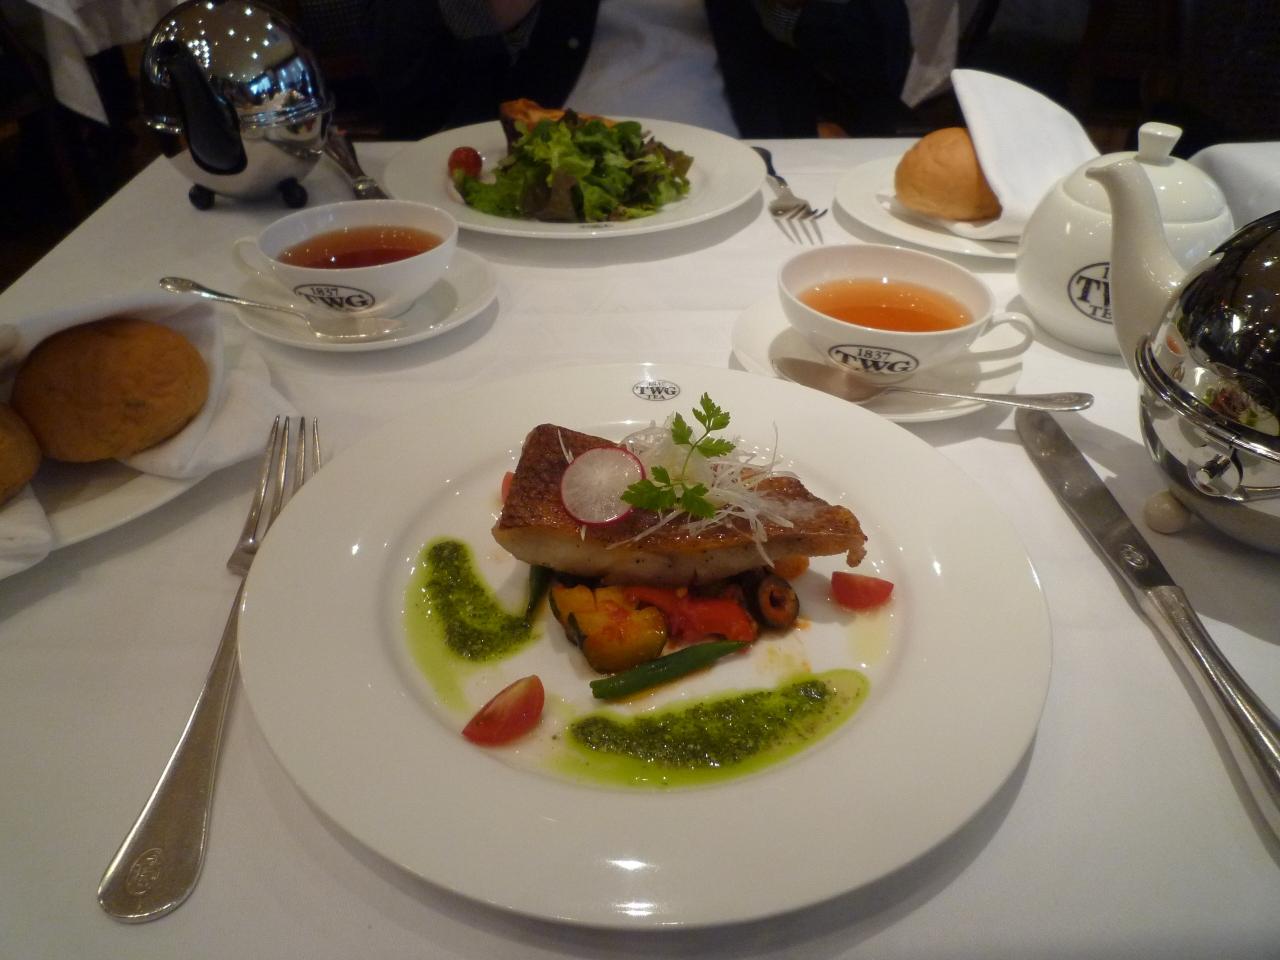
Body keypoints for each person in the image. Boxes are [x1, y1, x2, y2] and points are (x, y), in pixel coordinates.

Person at [360, 0, 917, 139]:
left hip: (739, 156)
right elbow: (411, 99)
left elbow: (879, 69)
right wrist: (495, 18)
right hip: (539, 165)